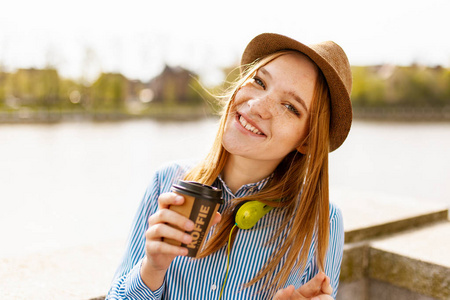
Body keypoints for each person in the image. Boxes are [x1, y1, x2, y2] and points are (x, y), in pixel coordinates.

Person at [106, 32, 352, 300]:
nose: (257, 105)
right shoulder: (166, 182)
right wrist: (151, 269)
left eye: (290, 107)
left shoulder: (323, 220)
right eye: (259, 81)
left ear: (306, 140)